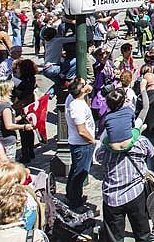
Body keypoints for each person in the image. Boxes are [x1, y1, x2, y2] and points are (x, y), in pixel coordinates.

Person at [65, 77, 96, 210]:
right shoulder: (76, 106)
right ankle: (75, 201)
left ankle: (71, 194)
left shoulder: (76, 99)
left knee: (75, 170)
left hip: (80, 143)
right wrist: (93, 141)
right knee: (80, 174)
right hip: (82, 144)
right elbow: (82, 130)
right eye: (84, 85)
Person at [0, 81, 31, 161]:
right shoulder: (5, 107)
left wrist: (20, 117)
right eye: (10, 90)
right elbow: (8, 125)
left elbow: (2, 121)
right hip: (7, 141)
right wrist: (24, 126)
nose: (11, 92)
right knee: (8, 166)